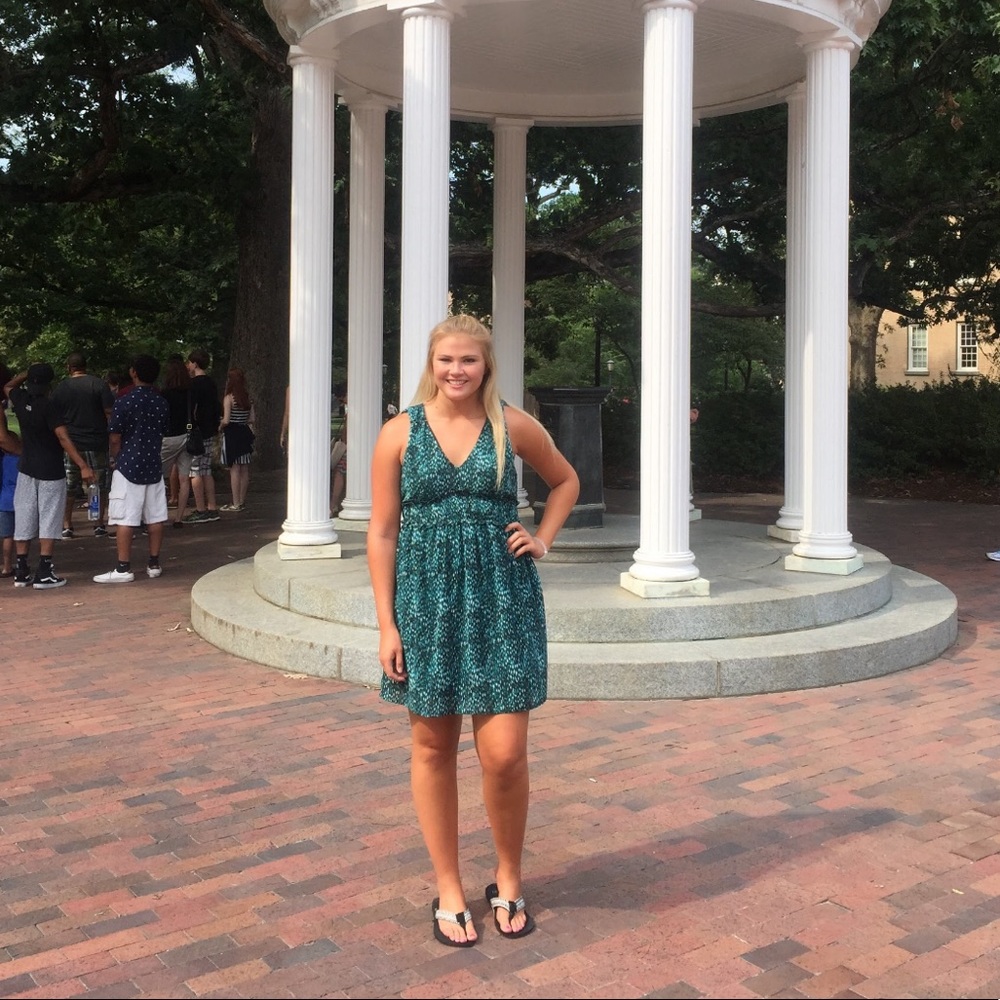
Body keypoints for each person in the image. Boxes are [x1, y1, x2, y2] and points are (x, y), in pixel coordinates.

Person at [368, 314, 579, 947]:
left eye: (469, 361)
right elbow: (381, 532)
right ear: (430, 366)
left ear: (486, 366)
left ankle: (508, 878)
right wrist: (386, 623)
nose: (456, 371)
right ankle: (450, 886)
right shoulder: (397, 434)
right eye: (445, 361)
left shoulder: (511, 426)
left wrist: (541, 538)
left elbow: (565, 480)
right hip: (427, 604)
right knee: (433, 746)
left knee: (506, 755)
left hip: (501, 599)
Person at [4, 363, 95, 588]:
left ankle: (22, 569)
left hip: (26, 468)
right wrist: (82, 464)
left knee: (24, 515)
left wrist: (26, 373)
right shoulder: (49, 406)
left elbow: (7, 386)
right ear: (49, 384)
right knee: (49, 517)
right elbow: (63, 437)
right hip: (50, 471)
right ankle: (44, 570)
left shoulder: (20, 399)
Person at [94, 355, 169, 583]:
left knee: (125, 517)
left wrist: (115, 458)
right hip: (153, 464)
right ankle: (154, 563)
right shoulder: (161, 402)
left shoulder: (124, 401)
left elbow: (115, 437)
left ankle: (123, 567)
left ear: (134, 372)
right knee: (155, 515)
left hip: (128, 465)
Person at [50, 351, 114, 538]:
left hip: (71, 444)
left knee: (69, 486)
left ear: (69, 368)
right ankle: (98, 523)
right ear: (86, 366)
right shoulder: (99, 384)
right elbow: (109, 412)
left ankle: (67, 524)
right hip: (97, 441)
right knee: (99, 484)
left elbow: (54, 416)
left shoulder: (62, 388)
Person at [179, 348, 221, 524]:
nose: (188, 365)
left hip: (197, 431)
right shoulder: (211, 382)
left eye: (189, 362)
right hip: (210, 429)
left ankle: (201, 508)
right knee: (206, 469)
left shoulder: (193, 384)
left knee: (194, 470)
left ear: (194, 363)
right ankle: (212, 506)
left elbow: (192, 409)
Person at [219, 368, 255, 512]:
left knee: (234, 468)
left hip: (232, 434)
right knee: (244, 468)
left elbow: (227, 420)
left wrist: (220, 424)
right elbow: (252, 419)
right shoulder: (247, 397)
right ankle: (241, 500)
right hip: (244, 433)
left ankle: (235, 503)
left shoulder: (229, 398)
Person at [158, 356, 189, 511]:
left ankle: (157, 511)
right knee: (184, 478)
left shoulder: (164, 394)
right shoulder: (189, 392)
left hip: (168, 437)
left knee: (156, 474)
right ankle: (179, 516)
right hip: (187, 436)